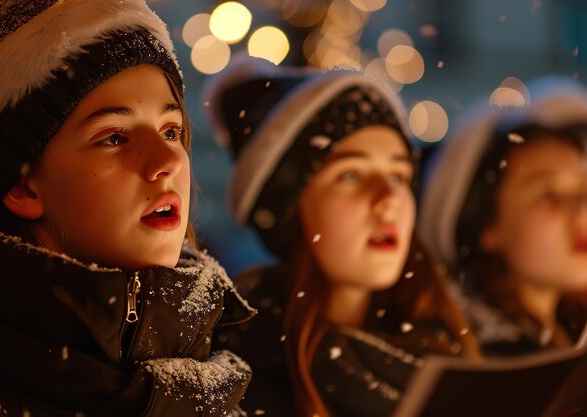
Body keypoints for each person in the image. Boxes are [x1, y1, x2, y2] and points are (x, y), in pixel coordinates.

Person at [0, 1, 255, 416]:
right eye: (114, 137)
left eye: (171, 131)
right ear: (23, 185)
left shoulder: (223, 380)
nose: (167, 161)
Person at [203, 57, 479, 417]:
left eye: (398, 176)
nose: (388, 201)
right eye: (351, 176)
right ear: (293, 208)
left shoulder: (448, 348)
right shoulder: (233, 372)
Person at [420, 76, 587, 356]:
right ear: (487, 225)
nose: (582, 212)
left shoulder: (568, 334)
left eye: (583, 190)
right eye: (547, 195)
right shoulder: (482, 360)